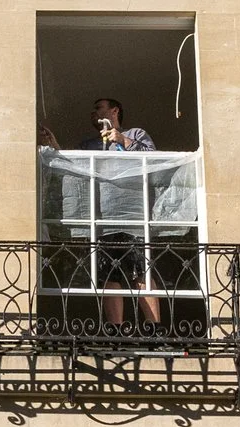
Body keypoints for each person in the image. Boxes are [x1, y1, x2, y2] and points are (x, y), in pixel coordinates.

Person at [38, 98, 162, 330]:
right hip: (102, 218)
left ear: (114, 110)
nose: (93, 112)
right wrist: (53, 145)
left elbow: (154, 160)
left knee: (140, 271)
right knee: (109, 274)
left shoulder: (137, 133)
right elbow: (73, 167)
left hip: (133, 218)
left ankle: (156, 331)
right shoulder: (89, 145)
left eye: (98, 108)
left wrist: (124, 140)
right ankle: (115, 331)